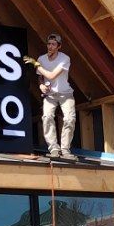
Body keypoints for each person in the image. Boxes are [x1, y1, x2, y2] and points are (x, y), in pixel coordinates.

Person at [34, 31, 75, 160]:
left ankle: (65, 149)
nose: (50, 46)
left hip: (65, 94)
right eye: (49, 44)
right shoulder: (41, 59)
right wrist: (41, 85)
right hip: (50, 95)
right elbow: (40, 78)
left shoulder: (65, 59)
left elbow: (51, 76)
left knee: (69, 119)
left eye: (53, 44)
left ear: (59, 46)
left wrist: (37, 66)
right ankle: (54, 148)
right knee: (47, 117)